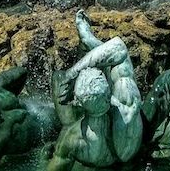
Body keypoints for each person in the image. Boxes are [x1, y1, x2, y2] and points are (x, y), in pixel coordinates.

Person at [48, 10, 143, 170]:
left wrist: (69, 75)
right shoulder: (127, 102)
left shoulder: (72, 138)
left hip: (95, 154)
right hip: (129, 151)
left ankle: (86, 41)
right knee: (103, 60)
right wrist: (74, 71)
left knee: (58, 77)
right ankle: (88, 40)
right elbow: (119, 50)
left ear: (78, 103)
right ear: (109, 94)